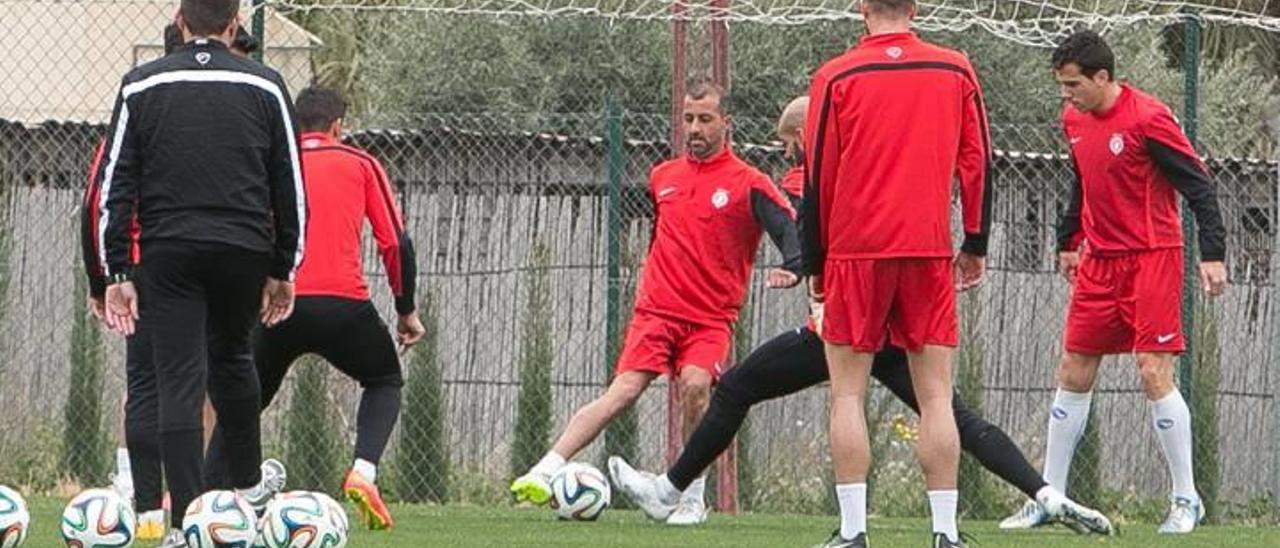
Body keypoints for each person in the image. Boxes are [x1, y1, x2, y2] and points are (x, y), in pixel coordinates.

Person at [609, 97, 1113, 538]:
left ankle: (672, 490)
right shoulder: (876, 166)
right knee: (954, 415)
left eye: (789, 141)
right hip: (895, 326)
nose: (787, 152)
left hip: (845, 327)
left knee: (740, 387)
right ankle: (1045, 494)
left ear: (807, 136)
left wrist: (802, 269)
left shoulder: (809, 174)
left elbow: (809, 235)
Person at [510, 82, 803, 525]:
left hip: (710, 318)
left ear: (727, 123)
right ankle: (545, 469)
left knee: (696, 386)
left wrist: (796, 266)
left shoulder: (749, 182)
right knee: (622, 392)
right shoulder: (662, 176)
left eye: (705, 119)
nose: (694, 128)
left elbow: (787, 227)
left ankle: (690, 498)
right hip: (656, 311)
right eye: (688, 119)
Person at [1000, 30, 1227, 535]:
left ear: (1103, 77)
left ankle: (1186, 499)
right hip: (1099, 261)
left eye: (1073, 84)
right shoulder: (1073, 119)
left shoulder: (1149, 118)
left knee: (1152, 371)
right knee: (1073, 369)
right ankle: (1049, 498)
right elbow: (1083, 178)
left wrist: (1213, 253)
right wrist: (1067, 238)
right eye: (1061, 85)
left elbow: (1198, 183)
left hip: (1152, 258)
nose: (1067, 94)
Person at [95, 0, 304, 544]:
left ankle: (186, 521)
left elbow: (115, 183)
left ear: (180, 23)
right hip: (243, 247)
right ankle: (248, 490)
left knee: (178, 378)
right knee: (234, 360)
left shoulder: (140, 84)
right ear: (235, 25)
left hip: (169, 250)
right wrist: (284, 264)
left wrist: (117, 268)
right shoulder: (266, 84)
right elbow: (289, 181)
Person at [803, 1, 991, 546]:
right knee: (935, 396)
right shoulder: (954, 68)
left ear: (862, 7)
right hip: (928, 248)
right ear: (914, 6)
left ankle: (855, 532)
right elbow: (977, 160)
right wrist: (974, 241)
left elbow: (820, 176)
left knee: (846, 395)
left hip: (856, 252)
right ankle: (945, 533)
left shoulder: (834, 75)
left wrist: (817, 263)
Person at [204, 86, 425, 531]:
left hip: (276, 305)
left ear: (291, 122)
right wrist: (405, 309)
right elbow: (396, 243)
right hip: (343, 306)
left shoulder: (270, 163)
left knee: (240, 403)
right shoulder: (361, 164)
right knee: (384, 379)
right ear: (338, 126)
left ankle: (206, 505)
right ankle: (363, 472)